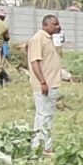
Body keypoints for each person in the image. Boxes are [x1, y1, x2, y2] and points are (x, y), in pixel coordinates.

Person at [25, 14, 64, 153]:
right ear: (45, 25)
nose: (57, 26)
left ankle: (38, 146)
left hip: (51, 83)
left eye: (58, 23)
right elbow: (34, 62)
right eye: (54, 24)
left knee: (45, 115)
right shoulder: (38, 39)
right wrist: (42, 82)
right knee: (44, 115)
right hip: (44, 84)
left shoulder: (49, 39)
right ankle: (44, 148)